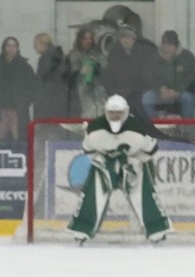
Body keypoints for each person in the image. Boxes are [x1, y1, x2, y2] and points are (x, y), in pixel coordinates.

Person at [66, 94, 169, 244]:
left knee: (143, 191)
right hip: (104, 163)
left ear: (126, 112)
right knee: (93, 190)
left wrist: (133, 160)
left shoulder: (139, 127)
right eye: (112, 112)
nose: (115, 116)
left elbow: (151, 151)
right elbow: (89, 152)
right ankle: (82, 229)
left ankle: (157, 230)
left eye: (119, 112)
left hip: (133, 163)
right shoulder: (95, 128)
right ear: (106, 112)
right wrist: (104, 160)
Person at [0, 35, 32, 140]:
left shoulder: (25, 66)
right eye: (8, 46)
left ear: (18, 48)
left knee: (19, 139)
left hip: (18, 110)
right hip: (0, 109)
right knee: (0, 140)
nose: (11, 49)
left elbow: (32, 87)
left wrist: (25, 102)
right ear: (4, 48)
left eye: (14, 46)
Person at [148, 32, 195, 120]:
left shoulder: (187, 56)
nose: (167, 48)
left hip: (180, 92)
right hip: (160, 93)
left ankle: (188, 128)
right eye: (165, 45)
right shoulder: (154, 56)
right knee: (146, 99)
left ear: (176, 45)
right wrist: (159, 89)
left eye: (170, 45)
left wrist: (178, 91)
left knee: (189, 99)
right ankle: (151, 128)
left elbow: (192, 78)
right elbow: (148, 76)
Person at [63, 28, 107, 119]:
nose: (88, 41)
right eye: (85, 39)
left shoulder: (98, 54)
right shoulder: (74, 55)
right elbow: (69, 75)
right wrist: (80, 71)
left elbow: (105, 70)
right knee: (87, 114)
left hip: (97, 90)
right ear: (80, 40)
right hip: (80, 91)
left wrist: (97, 67)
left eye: (90, 38)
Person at [29, 32, 68, 123]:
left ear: (43, 44)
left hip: (48, 103)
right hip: (56, 100)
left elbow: (44, 82)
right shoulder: (57, 57)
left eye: (36, 44)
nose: (34, 47)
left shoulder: (46, 59)